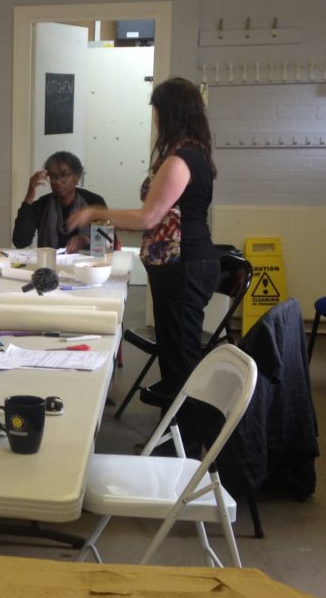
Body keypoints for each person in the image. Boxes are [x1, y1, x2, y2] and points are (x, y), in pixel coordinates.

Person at [68, 77, 218, 401]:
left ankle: (187, 445)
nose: (155, 118)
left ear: (171, 113)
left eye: (157, 111)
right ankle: (174, 437)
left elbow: (148, 217)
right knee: (173, 353)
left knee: (181, 360)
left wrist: (93, 211)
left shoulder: (180, 161)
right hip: (178, 266)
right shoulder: (190, 153)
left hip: (185, 266)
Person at [12, 151, 107, 253]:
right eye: (52, 176)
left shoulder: (94, 202)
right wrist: (30, 194)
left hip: (87, 265)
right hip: (49, 265)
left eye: (64, 175)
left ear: (77, 177)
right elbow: (20, 242)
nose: (57, 181)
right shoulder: (42, 205)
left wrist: (84, 239)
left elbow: (108, 242)